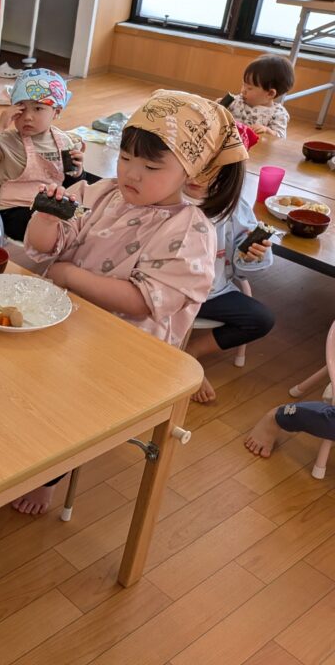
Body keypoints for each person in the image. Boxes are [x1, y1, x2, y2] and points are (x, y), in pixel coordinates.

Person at [15, 89, 249, 515]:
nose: (131, 174)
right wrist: (46, 218)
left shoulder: (189, 231)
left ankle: (50, 473)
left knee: (65, 406)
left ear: (192, 173)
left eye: (152, 167)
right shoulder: (102, 194)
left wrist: (68, 275)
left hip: (123, 350)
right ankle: (22, 439)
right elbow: (46, 246)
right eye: (125, 158)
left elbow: (141, 301)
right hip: (63, 321)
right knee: (17, 374)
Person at [183, 177, 274, 404]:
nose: (196, 178)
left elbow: (240, 261)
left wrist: (251, 254)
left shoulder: (233, 205)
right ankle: (178, 360)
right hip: (168, 288)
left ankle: (191, 351)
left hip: (213, 292)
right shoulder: (165, 197)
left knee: (261, 319)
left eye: (209, 171)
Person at [0, 68, 87, 241]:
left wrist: (78, 173)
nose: (27, 116)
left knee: (88, 221)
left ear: (56, 112)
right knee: (59, 231)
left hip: (53, 206)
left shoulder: (64, 142)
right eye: (21, 108)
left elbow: (70, 185)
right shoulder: (6, 141)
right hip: (15, 210)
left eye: (38, 108)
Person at [224, 54, 295, 139]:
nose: (243, 91)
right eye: (243, 85)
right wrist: (218, 106)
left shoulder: (278, 114)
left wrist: (267, 131)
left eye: (249, 88)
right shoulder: (237, 101)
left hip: (256, 147)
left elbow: (280, 138)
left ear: (270, 93)